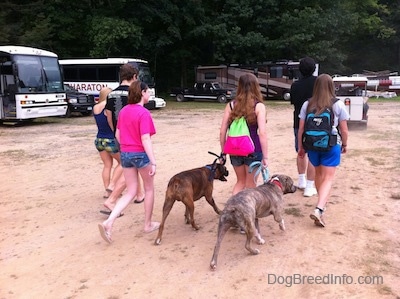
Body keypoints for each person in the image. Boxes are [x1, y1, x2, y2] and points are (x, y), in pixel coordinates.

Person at [98, 81, 159, 243]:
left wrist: (126, 146)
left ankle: (109, 222)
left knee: (130, 192)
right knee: (149, 189)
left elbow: (117, 135)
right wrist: (153, 161)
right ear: (143, 92)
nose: (149, 94)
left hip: (126, 154)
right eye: (148, 92)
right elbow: (145, 138)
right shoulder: (144, 113)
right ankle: (148, 224)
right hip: (140, 154)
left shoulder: (124, 111)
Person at [297, 74, 349, 227]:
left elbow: (301, 129)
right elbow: (344, 130)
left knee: (319, 175)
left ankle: (321, 204)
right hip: (331, 144)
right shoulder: (337, 104)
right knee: (328, 178)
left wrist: (301, 147)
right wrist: (345, 144)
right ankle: (319, 209)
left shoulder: (307, 104)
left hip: (312, 145)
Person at [103, 64, 145, 213]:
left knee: (134, 166)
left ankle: (139, 194)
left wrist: (116, 131)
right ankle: (113, 197)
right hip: (133, 137)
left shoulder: (110, 94)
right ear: (134, 77)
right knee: (132, 167)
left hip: (118, 135)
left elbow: (108, 116)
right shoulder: (133, 93)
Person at [220, 73, 268, 195]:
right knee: (251, 185)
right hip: (253, 149)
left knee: (240, 182)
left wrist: (223, 152)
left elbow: (222, 131)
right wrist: (265, 157)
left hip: (234, 148)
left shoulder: (231, 105)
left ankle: (233, 209)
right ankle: (248, 212)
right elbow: (262, 133)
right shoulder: (258, 106)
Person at [290, 57, 318, 197]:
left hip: (298, 122)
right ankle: (309, 186)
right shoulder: (318, 83)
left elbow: (294, 103)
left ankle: (301, 180)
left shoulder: (295, 85)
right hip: (317, 122)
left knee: (301, 151)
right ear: (314, 69)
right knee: (313, 153)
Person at [93, 87, 123, 198]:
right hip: (110, 139)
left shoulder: (95, 107)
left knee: (107, 165)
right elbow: (111, 121)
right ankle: (112, 185)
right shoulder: (108, 107)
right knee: (123, 163)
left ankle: (107, 191)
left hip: (99, 139)